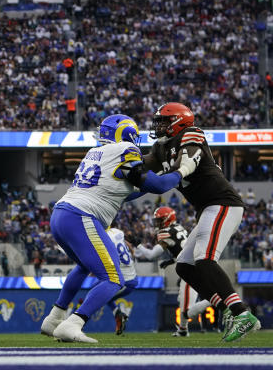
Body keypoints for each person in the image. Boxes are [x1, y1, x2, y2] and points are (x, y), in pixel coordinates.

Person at [40, 114, 193, 343]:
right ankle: (73, 323)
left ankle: (54, 317)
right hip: (82, 215)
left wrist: (160, 175)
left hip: (62, 215)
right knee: (113, 279)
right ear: (126, 133)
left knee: (83, 266)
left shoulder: (96, 152)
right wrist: (182, 172)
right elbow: (157, 186)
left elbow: (126, 191)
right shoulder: (125, 150)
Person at [145, 102, 258, 342]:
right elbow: (142, 167)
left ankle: (242, 314)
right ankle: (225, 308)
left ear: (179, 122)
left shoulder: (191, 134)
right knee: (184, 266)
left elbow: (190, 160)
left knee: (205, 258)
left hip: (223, 203)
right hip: (207, 209)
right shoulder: (160, 148)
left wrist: (178, 172)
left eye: (164, 121)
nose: (159, 126)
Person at [134, 206, 211, 336]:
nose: (157, 223)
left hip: (190, 271)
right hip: (194, 265)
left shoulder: (166, 233)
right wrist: (171, 261)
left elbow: (151, 255)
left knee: (187, 311)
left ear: (168, 219)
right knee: (182, 301)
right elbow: (183, 250)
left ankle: (215, 299)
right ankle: (182, 330)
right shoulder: (179, 228)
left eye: (160, 220)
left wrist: (138, 245)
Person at [104, 226, 137, 335]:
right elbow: (127, 244)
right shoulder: (117, 232)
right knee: (101, 293)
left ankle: (118, 315)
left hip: (125, 282)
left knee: (100, 295)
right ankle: (118, 315)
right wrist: (132, 253)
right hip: (130, 277)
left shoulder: (105, 236)